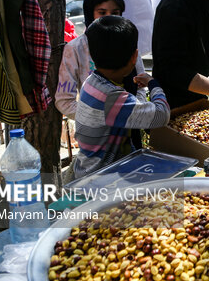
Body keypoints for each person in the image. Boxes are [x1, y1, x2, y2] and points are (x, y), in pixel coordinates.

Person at [72, 16, 170, 179]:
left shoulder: (92, 82)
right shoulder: (111, 97)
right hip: (100, 178)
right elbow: (162, 114)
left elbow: (133, 106)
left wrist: (141, 89)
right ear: (134, 57)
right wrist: (153, 84)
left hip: (89, 169)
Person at [56, 0, 145, 120]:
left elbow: (141, 85)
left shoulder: (128, 43)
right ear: (90, 12)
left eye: (115, 13)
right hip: (95, 136)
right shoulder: (76, 48)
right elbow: (64, 101)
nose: (108, 17)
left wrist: (132, 112)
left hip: (129, 129)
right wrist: (102, 118)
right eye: (102, 12)